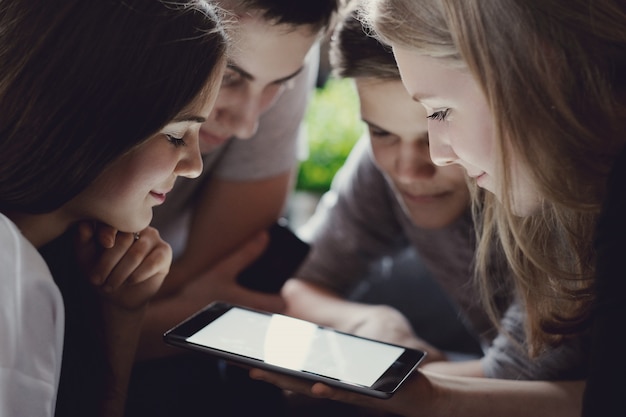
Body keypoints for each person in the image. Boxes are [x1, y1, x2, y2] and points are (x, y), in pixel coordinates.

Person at [250, 0, 626, 416]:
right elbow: (301, 281)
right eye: (381, 133)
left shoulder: (563, 195)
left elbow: (524, 378)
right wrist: (367, 325)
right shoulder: (394, 167)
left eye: (440, 112)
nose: (419, 163)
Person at [0, 1, 227, 416]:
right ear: (85, 115)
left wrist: (123, 314)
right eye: (177, 135)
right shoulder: (9, 273)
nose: (194, 166)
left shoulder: (48, 264)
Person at [124, 1, 340, 416]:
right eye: (230, 76)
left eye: (281, 84)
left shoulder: (283, 49)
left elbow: (227, 284)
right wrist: (173, 311)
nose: (247, 125)